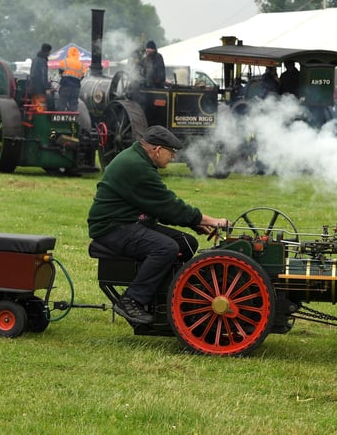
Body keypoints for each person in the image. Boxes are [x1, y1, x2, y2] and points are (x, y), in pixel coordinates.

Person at [87, 125, 229, 325]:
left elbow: (156, 207)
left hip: (131, 222)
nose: (173, 158)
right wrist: (209, 220)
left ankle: (170, 297)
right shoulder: (136, 166)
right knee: (165, 247)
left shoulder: (138, 159)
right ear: (158, 150)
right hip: (112, 228)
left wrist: (193, 225)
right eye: (171, 153)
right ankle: (131, 300)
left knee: (186, 243)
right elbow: (167, 204)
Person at [57, 46, 85, 111]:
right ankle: (73, 120)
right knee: (74, 107)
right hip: (76, 89)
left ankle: (60, 120)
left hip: (65, 87)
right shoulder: (81, 65)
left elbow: (60, 73)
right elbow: (82, 76)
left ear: (69, 53)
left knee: (61, 105)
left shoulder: (65, 61)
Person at [29, 43, 52, 111]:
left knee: (34, 105)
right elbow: (43, 75)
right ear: (47, 51)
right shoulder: (43, 61)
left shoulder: (35, 60)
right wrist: (47, 87)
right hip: (40, 89)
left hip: (33, 87)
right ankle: (41, 119)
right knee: (41, 106)